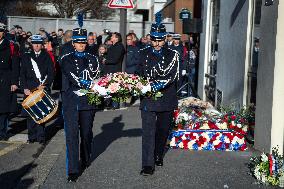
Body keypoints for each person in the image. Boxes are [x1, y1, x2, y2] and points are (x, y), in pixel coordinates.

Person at [136, 13, 180, 176]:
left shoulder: (173, 55)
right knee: (148, 131)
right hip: (148, 97)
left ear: (165, 39)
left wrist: (160, 84)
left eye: (160, 40)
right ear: (150, 38)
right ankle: (147, 165)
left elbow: (174, 74)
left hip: (167, 96)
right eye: (154, 39)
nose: (157, 43)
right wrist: (141, 83)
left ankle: (158, 154)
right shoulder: (143, 53)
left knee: (162, 130)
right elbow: (138, 72)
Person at [60, 27, 106, 182]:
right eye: (78, 42)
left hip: (87, 102)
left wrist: (101, 87)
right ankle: (73, 169)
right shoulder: (66, 59)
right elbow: (73, 77)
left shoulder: (93, 59)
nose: (81, 45)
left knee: (86, 133)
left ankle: (85, 158)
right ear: (73, 43)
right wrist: (90, 85)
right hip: (71, 101)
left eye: (83, 42)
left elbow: (98, 76)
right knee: (72, 135)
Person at [20, 35, 55, 144]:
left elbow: (51, 73)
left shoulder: (47, 56)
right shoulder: (26, 56)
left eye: (38, 43)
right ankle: (31, 136)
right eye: (34, 43)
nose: (36, 45)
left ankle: (41, 137)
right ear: (32, 44)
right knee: (31, 115)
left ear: (42, 45)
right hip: (30, 88)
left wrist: (45, 84)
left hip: (41, 87)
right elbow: (23, 74)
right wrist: (24, 88)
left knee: (41, 113)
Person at [0, 23, 20, 140]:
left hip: (6, 80)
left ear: (4, 32)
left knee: (4, 109)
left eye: (1, 31)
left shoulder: (11, 46)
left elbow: (15, 66)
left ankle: (2, 132)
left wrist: (14, 82)